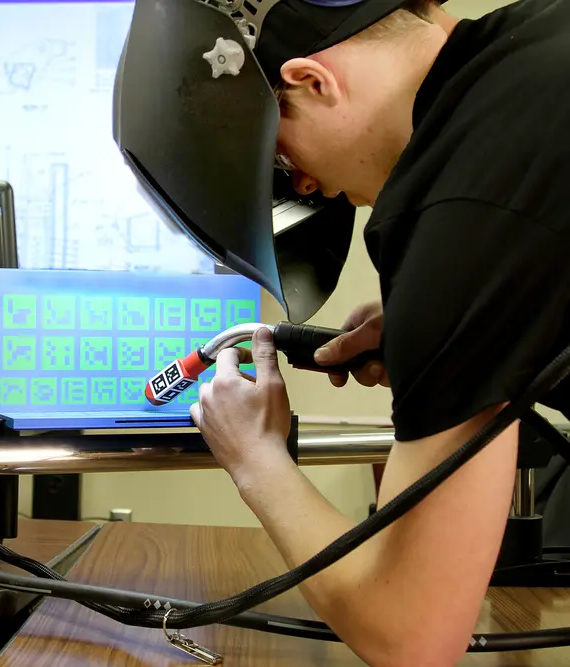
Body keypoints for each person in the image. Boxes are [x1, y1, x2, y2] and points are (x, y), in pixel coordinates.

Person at [189, 0, 570, 665]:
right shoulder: (535, 43)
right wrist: (489, 324)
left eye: (281, 160)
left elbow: (411, 635)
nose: (305, 184)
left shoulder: (461, 211)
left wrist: (256, 458)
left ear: (314, 81)